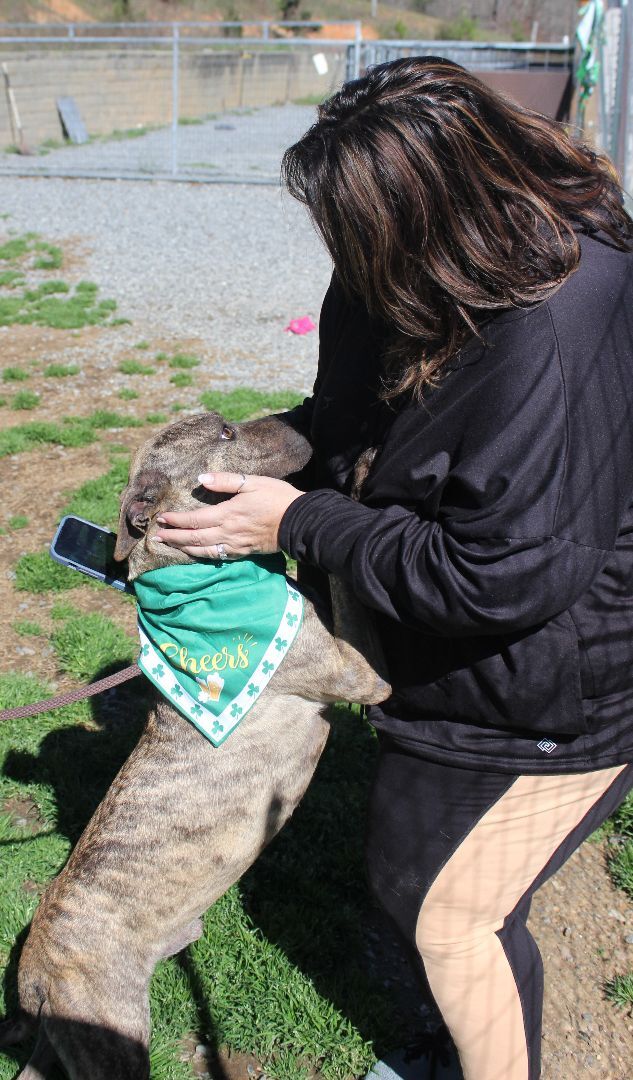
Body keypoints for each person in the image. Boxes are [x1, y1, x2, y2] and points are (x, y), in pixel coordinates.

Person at [152, 58, 633, 1080]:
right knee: (421, 878)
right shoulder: (419, 275)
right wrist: (257, 463)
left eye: (359, 231)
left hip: (549, 682)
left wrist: (298, 523)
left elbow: (503, 575)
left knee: (451, 911)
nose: (343, 255)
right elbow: (357, 416)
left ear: (432, 215)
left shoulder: (554, 327)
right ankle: (462, 1040)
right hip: (458, 662)